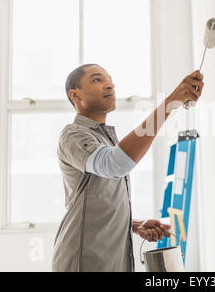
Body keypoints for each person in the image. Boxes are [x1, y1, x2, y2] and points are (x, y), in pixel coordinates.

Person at [51, 63, 204, 271]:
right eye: (97, 79)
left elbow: (99, 200)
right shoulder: (73, 136)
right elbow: (115, 164)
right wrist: (169, 104)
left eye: (110, 80)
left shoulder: (104, 139)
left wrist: (134, 225)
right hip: (84, 262)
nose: (109, 85)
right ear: (75, 95)